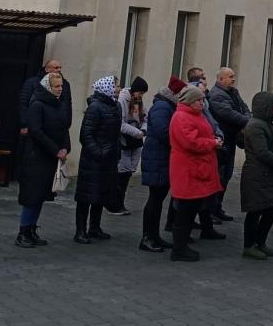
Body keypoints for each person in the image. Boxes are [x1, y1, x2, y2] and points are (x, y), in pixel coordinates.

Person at [168, 85, 225, 262]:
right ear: (190, 101)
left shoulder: (194, 115)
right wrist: (212, 143)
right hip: (188, 171)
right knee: (185, 213)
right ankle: (179, 249)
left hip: (196, 169)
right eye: (199, 100)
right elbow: (191, 143)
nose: (203, 102)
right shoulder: (182, 117)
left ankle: (182, 246)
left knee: (191, 210)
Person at [16, 72, 70, 248]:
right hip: (36, 157)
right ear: (48, 86)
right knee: (32, 195)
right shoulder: (37, 104)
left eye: (61, 86)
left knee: (40, 196)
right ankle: (23, 232)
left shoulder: (58, 103)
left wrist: (65, 147)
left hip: (50, 158)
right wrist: (56, 150)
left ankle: (32, 229)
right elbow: (36, 131)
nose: (60, 89)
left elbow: (64, 128)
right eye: (56, 86)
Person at [139, 76, 187, 253]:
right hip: (157, 158)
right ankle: (147, 237)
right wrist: (181, 137)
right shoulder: (162, 106)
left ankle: (154, 235)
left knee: (158, 199)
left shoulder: (167, 105)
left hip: (161, 158)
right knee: (154, 199)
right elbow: (163, 132)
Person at [73, 76, 121, 244]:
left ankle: (95, 227)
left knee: (101, 194)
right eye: (115, 85)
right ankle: (80, 231)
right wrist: (99, 152)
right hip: (93, 160)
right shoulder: (95, 107)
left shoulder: (114, 105)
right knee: (86, 196)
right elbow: (86, 134)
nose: (118, 88)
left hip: (108, 158)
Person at [239, 92, 273, 260]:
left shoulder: (266, 124)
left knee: (272, 207)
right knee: (256, 210)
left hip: (267, 174)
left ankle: (260, 241)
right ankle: (249, 245)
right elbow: (262, 151)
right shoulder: (256, 125)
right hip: (257, 174)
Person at [207, 67, 249, 223]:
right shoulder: (217, 95)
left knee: (226, 175)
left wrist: (246, 119)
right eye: (230, 76)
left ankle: (217, 208)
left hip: (231, 140)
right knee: (220, 176)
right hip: (222, 141)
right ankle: (211, 209)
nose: (233, 79)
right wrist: (247, 122)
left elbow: (244, 108)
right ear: (220, 79)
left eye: (233, 76)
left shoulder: (233, 92)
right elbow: (228, 114)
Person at [110, 76, 148, 216]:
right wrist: (136, 132)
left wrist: (143, 129)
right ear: (135, 91)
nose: (141, 96)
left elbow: (145, 117)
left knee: (128, 173)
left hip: (136, 140)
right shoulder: (123, 101)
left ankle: (120, 203)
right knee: (122, 173)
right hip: (125, 140)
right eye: (140, 93)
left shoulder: (139, 102)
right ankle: (115, 204)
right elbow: (120, 123)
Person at [19, 60, 72, 136]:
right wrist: (24, 124)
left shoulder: (65, 84)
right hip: (36, 123)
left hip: (57, 126)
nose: (59, 70)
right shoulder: (32, 82)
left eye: (60, 68)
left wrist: (67, 123)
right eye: (56, 68)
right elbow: (24, 103)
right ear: (47, 69)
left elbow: (67, 103)